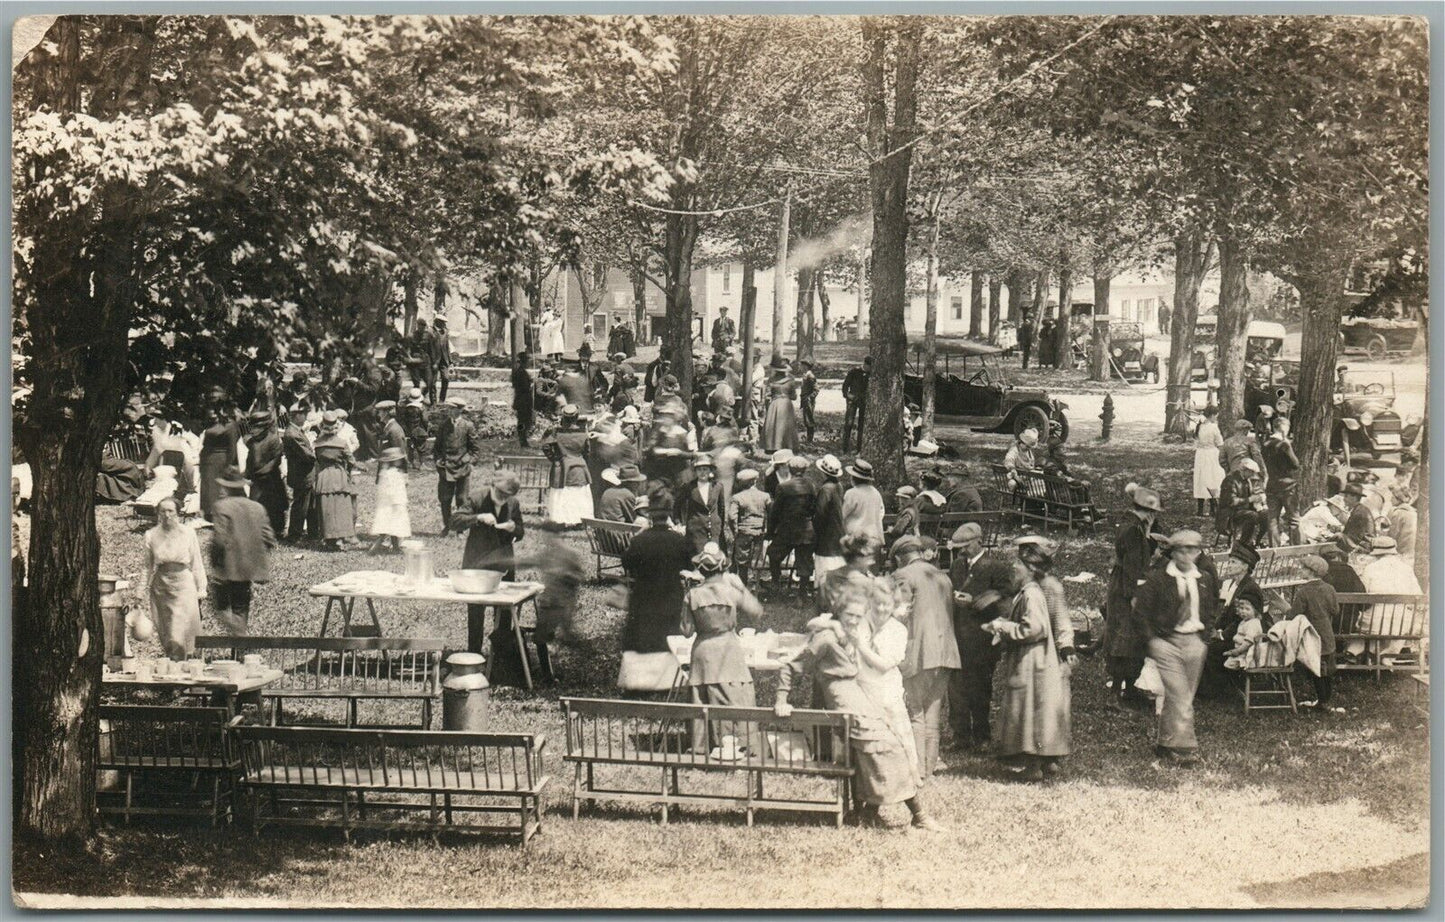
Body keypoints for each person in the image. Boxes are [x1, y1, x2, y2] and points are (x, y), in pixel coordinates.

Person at [774, 592, 942, 831]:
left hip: (857, 693)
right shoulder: (826, 638)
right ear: (839, 613)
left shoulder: (847, 634)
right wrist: (782, 699)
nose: (854, 620)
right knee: (883, 746)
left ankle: (870, 812)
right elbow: (791, 666)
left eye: (857, 615)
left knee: (886, 744)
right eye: (849, 615)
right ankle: (917, 814)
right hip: (842, 697)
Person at [983, 543, 1071, 782]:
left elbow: (1035, 628)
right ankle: (1046, 761)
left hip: (1032, 660)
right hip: (1036, 658)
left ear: (1030, 568)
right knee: (1039, 709)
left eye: (1018, 563)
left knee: (1030, 709)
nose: (1013, 567)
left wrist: (1003, 627)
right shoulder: (1028, 591)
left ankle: (1034, 765)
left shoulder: (1032, 593)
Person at [1134, 530, 1218, 766]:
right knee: (1180, 694)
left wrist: (1204, 637)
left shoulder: (1204, 579)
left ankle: (1165, 743)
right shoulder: (1158, 579)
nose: (1187, 555)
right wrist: (1153, 641)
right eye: (1181, 550)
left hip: (1194, 641)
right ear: (1173, 553)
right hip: (1166, 641)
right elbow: (1140, 614)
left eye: (1192, 550)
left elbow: (1211, 609)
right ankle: (1185, 749)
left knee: (1182, 695)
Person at [681, 543, 763, 755]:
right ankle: (740, 744)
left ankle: (702, 746)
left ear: (701, 570)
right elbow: (756, 611)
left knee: (701, 696)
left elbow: (687, 631)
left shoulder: (692, 595)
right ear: (723, 568)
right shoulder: (732, 592)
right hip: (728, 648)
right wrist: (742, 588)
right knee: (735, 694)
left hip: (704, 651)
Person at [891, 535, 961, 779]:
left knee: (915, 712)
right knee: (933, 713)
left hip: (919, 652)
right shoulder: (942, 576)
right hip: (947, 652)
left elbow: (899, 614)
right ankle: (929, 768)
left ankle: (917, 769)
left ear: (900, 557)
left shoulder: (903, 576)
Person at [947, 521, 1015, 751]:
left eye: (966, 545)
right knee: (957, 689)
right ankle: (961, 736)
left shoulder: (996, 567)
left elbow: (1007, 600)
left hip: (982, 639)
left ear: (978, 541)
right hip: (959, 636)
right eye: (959, 547)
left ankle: (982, 736)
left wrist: (979, 602)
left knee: (980, 689)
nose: (962, 550)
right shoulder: (957, 565)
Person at [451, 471, 525, 655]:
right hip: (477, 560)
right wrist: (477, 518)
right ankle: (473, 653)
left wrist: (514, 528)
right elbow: (454, 521)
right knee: (476, 609)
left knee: (505, 609)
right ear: (493, 487)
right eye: (500, 494)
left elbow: (521, 531)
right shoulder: (477, 498)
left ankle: (499, 654)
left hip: (503, 560)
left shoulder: (513, 503)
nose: (503, 499)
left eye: (507, 496)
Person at [1105, 486, 1163, 707]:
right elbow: (1133, 567)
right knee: (1124, 638)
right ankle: (1116, 694)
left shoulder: (1133, 525)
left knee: (1133, 639)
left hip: (1124, 585)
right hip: (1126, 589)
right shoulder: (1132, 530)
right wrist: (1134, 596)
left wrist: (1148, 533)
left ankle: (1129, 688)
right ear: (1149, 512)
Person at [619, 488, 694, 657]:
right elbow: (689, 565)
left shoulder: (639, 540)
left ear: (650, 515)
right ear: (668, 514)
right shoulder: (679, 540)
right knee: (668, 642)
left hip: (644, 597)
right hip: (671, 596)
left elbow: (627, 562)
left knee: (643, 642)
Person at [209, 466, 277, 636]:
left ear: (226, 487)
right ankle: (239, 649)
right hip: (249, 567)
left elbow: (219, 539)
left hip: (227, 565)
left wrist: (214, 560)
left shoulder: (221, 507)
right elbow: (269, 538)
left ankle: (240, 638)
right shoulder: (257, 507)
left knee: (219, 605)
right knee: (241, 607)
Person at [143, 496, 209, 659]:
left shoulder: (188, 533)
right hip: (161, 587)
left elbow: (196, 562)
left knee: (181, 631)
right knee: (168, 633)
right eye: (162, 511)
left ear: (178, 513)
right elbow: (147, 566)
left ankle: (186, 667)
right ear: (158, 513)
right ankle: (174, 669)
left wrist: (201, 588)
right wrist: (139, 591)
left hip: (184, 585)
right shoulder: (151, 535)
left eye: (170, 511)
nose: (167, 515)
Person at [1349, 536, 1423, 664]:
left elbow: (1363, 595)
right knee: (1398, 622)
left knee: (1371, 622)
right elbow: (1418, 595)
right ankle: (1386, 656)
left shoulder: (1370, 569)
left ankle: (1358, 651)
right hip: (1401, 623)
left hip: (1374, 622)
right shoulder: (1406, 569)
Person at [1290, 554, 1338, 708]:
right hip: (1327, 632)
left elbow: (1294, 614)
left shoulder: (1303, 592)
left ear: (1311, 571)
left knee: (1316, 667)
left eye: (1303, 568)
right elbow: (1335, 610)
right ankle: (1325, 699)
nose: (1300, 570)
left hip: (1312, 633)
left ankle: (1322, 701)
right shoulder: (1329, 588)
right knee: (1326, 667)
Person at [767, 455, 817, 596]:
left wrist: (770, 532)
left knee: (773, 554)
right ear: (805, 470)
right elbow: (814, 508)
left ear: (790, 468)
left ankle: (775, 584)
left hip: (787, 530)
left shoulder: (783, 487)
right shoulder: (811, 486)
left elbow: (775, 512)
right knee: (805, 562)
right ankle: (801, 594)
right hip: (807, 530)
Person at [434, 396, 482, 531]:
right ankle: (447, 526)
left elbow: (475, 449)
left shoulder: (468, 426)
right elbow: (437, 447)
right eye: (448, 408)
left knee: (462, 499)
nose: (449, 411)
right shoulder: (444, 425)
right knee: (445, 499)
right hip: (446, 468)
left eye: (452, 408)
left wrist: (471, 463)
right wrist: (438, 462)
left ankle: (460, 529)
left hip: (462, 468)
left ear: (459, 410)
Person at [312, 412, 358, 549]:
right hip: (339, 475)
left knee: (327, 507)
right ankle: (341, 538)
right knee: (341, 507)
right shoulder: (342, 443)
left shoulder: (318, 444)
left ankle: (328, 537)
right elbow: (351, 461)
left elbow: (317, 461)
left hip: (324, 476)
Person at [543, 405, 594, 527]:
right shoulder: (583, 434)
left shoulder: (556, 433)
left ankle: (560, 520)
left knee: (562, 494)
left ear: (563, 418)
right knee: (579, 494)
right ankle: (580, 521)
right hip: (579, 467)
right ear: (576, 417)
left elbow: (545, 446)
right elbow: (587, 452)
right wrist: (580, 459)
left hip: (561, 467)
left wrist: (554, 458)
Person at [198, 392, 242, 519]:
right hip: (207, 457)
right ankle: (208, 511)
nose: (211, 411)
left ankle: (219, 512)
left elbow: (232, 448)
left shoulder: (229, 424)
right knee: (207, 484)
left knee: (217, 486)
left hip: (220, 458)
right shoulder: (210, 423)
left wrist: (229, 464)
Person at [244, 408, 287, 536]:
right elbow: (250, 459)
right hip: (256, 480)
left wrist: (263, 471)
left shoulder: (273, 439)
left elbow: (276, 459)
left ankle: (277, 530)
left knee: (274, 505)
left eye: (255, 428)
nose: (252, 430)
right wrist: (248, 474)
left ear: (264, 427)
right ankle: (258, 531)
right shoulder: (252, 442)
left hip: (271, 479)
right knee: (256, 505)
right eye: (251, 428)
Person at [727, 468, 770, 584]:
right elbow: (771, 514)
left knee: (742, 561)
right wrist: (766, 528)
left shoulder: (737, 497)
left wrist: (735, 530)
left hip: (744, 532)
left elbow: (731, 517)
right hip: (759, 532)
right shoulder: (765, 496)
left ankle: (743, 585)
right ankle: (757, 585)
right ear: (755, 481)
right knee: (758, 561)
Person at [1262, 417, 1300, 545]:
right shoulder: (1284, 445)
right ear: (1284, 427)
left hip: (1272, 484)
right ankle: (1296, 547)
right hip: (1287, 484)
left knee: (1272, 519)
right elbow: (1295, 464)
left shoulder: (1265, 444)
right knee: (1293, 518)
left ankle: (1274, 548)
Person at [281, 404, 316, 542]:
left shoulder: (296, 431)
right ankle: (295, 535)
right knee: (301, 506)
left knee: (310, 505)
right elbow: (307, 455)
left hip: (305, 473)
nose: (306, 416)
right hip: (302, 474)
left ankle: (313, 533)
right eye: (303, 413)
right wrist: (315, 453)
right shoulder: (292, 434)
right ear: (295, 415)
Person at [675, 454, 723, 553]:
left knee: (713, 559)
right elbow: (677, 506)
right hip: (696, 530)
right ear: (695, 471)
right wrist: (679, 524)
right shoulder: (689, 487)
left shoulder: (718, 486)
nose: (702, 472)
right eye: (699, 470)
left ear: (710, 470)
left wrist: (718, 525)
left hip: (713, 530)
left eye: (705, 469)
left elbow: (722, 509)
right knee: (697, 558)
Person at [369, 447, 411, 554]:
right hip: (395, 503)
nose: (401, 461)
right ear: (393, 461)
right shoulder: (394, 474)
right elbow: (396, 490)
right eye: (398, 460)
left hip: (387, 503)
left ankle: (395, 547)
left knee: (392, 528)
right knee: (392, 527)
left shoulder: (384, 473)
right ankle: (375, 548)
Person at [812, 454, 846, 586]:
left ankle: (824, 594)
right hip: (838, 530)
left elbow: (820, 513)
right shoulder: (839, 486)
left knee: (825, 565)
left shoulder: (825, 489)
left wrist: (816, 530)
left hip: (827, 534)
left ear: (823, 472)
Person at [1218, 459, 1266, 547]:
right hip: (1230, 512)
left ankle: (1257, 541)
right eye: (1251, 472)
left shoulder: (1247, 480)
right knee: (1252, 516)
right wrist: (1250, 499)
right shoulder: (1230, 480)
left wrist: (1259, 502)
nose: (1252, 475)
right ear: (1244, 470)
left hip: (1243, 510)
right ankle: (1244, 543)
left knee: (1266, 514)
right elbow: (1231, 501)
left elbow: (1249, 496)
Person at [1192, 405, 1225, 517]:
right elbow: (1220, 442)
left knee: (1201, 478)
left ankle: (1200, 510)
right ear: (1212, 415)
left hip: (1200, 454)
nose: (1216, 418)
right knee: (1213, 478)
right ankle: (1213, 508)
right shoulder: (1213, 427)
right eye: (1216, 416)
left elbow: (1196, 441)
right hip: (1211, 453)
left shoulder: (1200, 425)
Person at [842, 459, 885, 543]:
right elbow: (881, 513)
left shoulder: (851, 493)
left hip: (856, 539)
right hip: (874, 538)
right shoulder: (876, 493)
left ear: (854, 478)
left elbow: (842, 515)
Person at [761, 373, 800, 453]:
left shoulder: (771, 379)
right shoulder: (790, 379)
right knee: (787, 424)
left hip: (775, 403)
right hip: (786, 404)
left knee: (774, 424)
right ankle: (788, 445)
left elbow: (767, 394)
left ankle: (773, 445)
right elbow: (794, 396)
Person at [841, 357, 871, 453]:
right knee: (849, 423)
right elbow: (845, 387)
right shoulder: (854, 372)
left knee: (861, 425)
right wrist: (849, 396)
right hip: (852, 401)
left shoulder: (871, 375)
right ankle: (845, 448)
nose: (870, 369)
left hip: (863, 402)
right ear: (865, 364)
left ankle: (859, 449)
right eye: (869, 366)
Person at [1338, 482, 1375, 553]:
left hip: (1364, 548)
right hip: (1364, 545)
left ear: (1354, 498)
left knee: (1338, 537)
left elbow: (1354, 538)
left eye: (1346, 496)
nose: (1343, 499)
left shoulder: (1359, 513)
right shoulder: (1360, 509)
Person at [407, 320, 437, 402]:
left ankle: (425, 396)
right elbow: (408, 349)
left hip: (426, 362)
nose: (422, 328)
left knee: (430, 383)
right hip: (415, 363)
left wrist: (434, 362)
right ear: (417, 325)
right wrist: (409, 358)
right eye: (421, 326)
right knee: (416, 384)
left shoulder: (429, 335)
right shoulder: (411, 336)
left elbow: (432, 349)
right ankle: (415, 400)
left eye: (424, 326)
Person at [1385, 484, 1417, 560]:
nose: (1390, 499)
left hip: (1400, 555)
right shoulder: (1414, 513)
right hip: (1412, 554)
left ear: (1398, 498)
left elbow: (1391, 538)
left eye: (1392, 496)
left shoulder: (1398, 513)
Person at [511, 353, 535, 448]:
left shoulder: (519, 371)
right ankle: (522, 439)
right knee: (522, 421)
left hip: (521, 400)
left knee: (523, 421)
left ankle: (523, 438)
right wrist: (531, 383)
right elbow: (524, 387)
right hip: (523, 401)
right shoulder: (521, 373)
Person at [432, 316, 452, 403]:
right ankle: (433, 401)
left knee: (446, 378)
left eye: (445, 323)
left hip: (444, 360)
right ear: (437, 322)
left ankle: (441, 400)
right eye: (442, 322)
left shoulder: (445, 332)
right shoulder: (430, 331)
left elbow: (447, 347)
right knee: (432, 382)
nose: (444, 325)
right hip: (434, 361)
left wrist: (450, 361)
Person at [798, 359, 818, 443]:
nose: (800, 367)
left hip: (808, 401)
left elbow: (816, 389)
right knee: (806, 420)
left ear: (806, 366)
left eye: (802, 366)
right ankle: (808, 438)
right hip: (805, 400)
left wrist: (810, 398)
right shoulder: (805, 375)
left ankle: (810, 439)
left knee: (809, 420)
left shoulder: (810, 376)